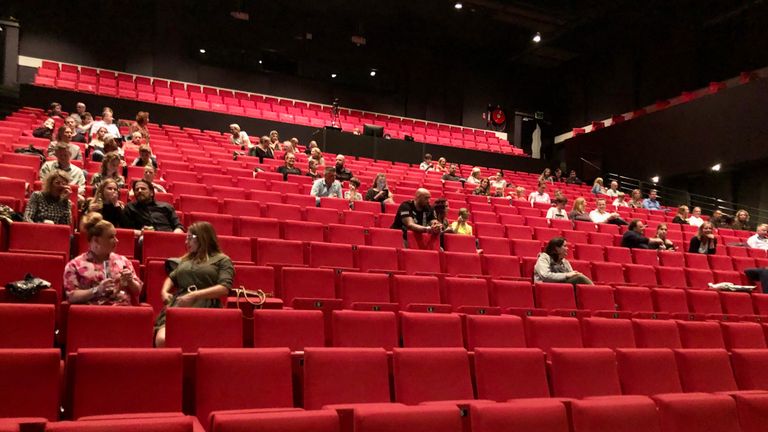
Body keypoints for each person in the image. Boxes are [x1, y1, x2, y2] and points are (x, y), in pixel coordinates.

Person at [154, 222, 234, 347]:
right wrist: (164, 292)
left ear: (202, 238)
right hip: (179, 304)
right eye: (186, 238)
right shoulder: (186, 259)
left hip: (206, 306)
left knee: (195, 341)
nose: (186, 242)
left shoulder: (222, 259)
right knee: (163, 340)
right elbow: (172, 277)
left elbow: (224, 288)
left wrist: (194, 295)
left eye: (190, 238)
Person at [64, 213, 142, 306]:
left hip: (123, 313)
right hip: (93, 314)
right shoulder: (75, 265)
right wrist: (97, 290)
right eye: (111, 237)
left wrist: (130, 281)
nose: (116, 240)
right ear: (96, 240)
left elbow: (138, 291)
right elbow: (71, 296)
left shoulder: (123, 261)